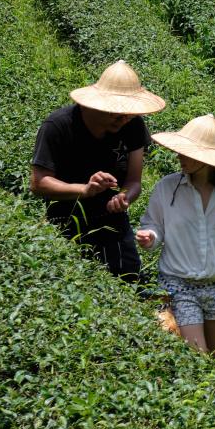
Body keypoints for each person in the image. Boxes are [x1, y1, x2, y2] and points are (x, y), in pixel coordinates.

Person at [135, 114, 215, 358]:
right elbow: (154, 225)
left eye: (187, 153)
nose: (179, 157)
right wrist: (150, 236)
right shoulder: (167, 187)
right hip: (179, 284)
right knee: (198, 357)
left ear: (207, 159)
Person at [31, 60, 166, 283]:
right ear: (97, 104)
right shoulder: (58, 126)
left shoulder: (133, 126)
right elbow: (38, 183)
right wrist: (84, 190)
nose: (124, 119)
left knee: (129, 281)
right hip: (67, 218)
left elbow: (134, 181)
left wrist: (124, 197)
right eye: (116, 113)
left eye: (129, 113)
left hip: (112, 219)